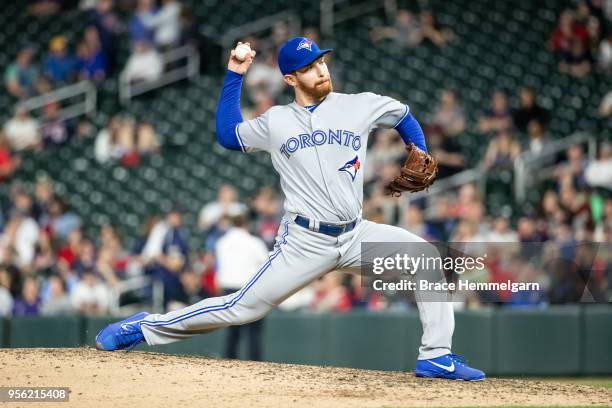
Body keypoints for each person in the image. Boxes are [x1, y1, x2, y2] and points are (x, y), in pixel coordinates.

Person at [96, 37, 485, 381]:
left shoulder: (360, 106)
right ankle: (146, 327)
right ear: (289, 79)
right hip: (304, 241)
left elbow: (403, 116)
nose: (319, 69)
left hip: (356, 234)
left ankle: (436, 356)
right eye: (308, 67)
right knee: (241, 308)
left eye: (320, 62)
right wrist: (235, 74)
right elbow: (228, 135)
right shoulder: (276, 121)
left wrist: (418, 149)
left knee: (429, 259)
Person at [215, 215, 269, 360]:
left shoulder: (222, 242)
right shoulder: (254, 242)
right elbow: (266, 264)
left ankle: (229, 361)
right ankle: (255, 363)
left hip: (228, 289)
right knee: (254, 331)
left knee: (233, 331)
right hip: (249, 288)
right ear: (246, 224)